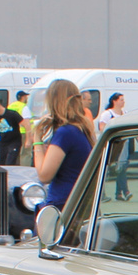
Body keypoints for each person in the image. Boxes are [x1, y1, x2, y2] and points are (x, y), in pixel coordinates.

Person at [33, 78, 96, 212]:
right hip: (81, 201)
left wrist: (37, 141)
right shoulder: (83, 129)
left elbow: (44, 176)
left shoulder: (65, 133)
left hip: (62, 204)